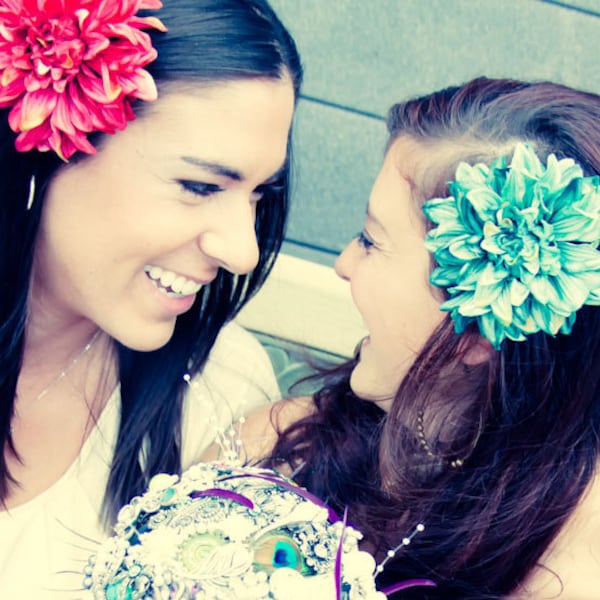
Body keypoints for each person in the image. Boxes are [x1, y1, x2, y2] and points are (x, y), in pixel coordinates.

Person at [230, 77, 600, 599]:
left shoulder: (571, 574)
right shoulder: (278, 448)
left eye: (370, 241)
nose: (343, 264)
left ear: (474, 333)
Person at [0, 0, 301, 596]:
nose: (242, 251)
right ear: (47, 147)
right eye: (200, 186)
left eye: (258, 195)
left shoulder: (223, 399)